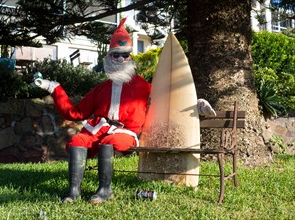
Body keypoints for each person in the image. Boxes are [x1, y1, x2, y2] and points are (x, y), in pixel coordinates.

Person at [33, 18, 215, 204]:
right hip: (98, 130)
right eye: (116, 55)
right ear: (109, 57)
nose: (120, 59)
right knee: (77, 140)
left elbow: (169, 99)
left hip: (125, 133)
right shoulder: (101, 89)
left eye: (125, 55)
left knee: (110, 141)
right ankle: (73, 191)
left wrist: (197, 103)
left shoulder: (143, 87)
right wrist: (54, 88)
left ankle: (104, 190)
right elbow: (75, 113)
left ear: (130, 58)